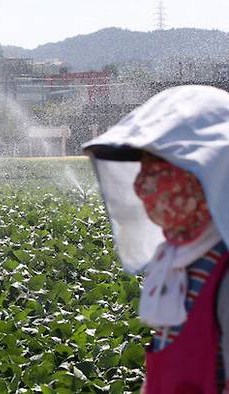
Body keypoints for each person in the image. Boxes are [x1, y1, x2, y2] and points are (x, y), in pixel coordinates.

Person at [83, 85, 229, 394]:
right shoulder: (174, 261)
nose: (144, 184)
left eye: (162, 167)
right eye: (144, 166)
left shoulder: (224, 274)